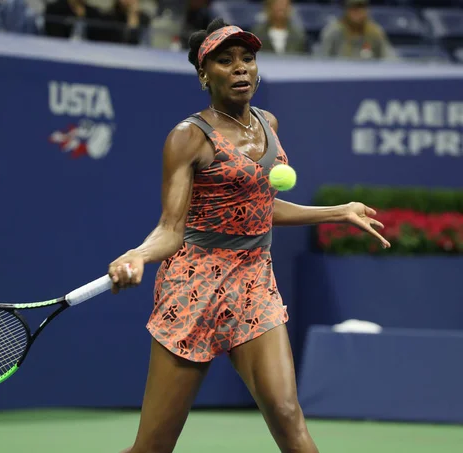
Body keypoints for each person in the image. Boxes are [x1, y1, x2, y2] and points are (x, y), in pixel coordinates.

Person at [108, 17, 391, 453]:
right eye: (226, 60)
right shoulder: (188, 137)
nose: (241, 68)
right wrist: (138, 256)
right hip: (193, 286)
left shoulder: (268, 123)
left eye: (248, 58)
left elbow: (258, 210)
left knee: (286, 413)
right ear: (204, 74)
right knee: (154, 445)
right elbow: (171, 228)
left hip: (255, 283)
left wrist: (339, 212)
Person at [318, 0, 395, 60]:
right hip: (338, 76)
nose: (357, 11)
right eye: (353, 7)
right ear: (346, 10)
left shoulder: (375, 31)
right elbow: (322, 60)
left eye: (361, 7)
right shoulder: (333, 31)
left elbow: (390, 58)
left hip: (368, 76)